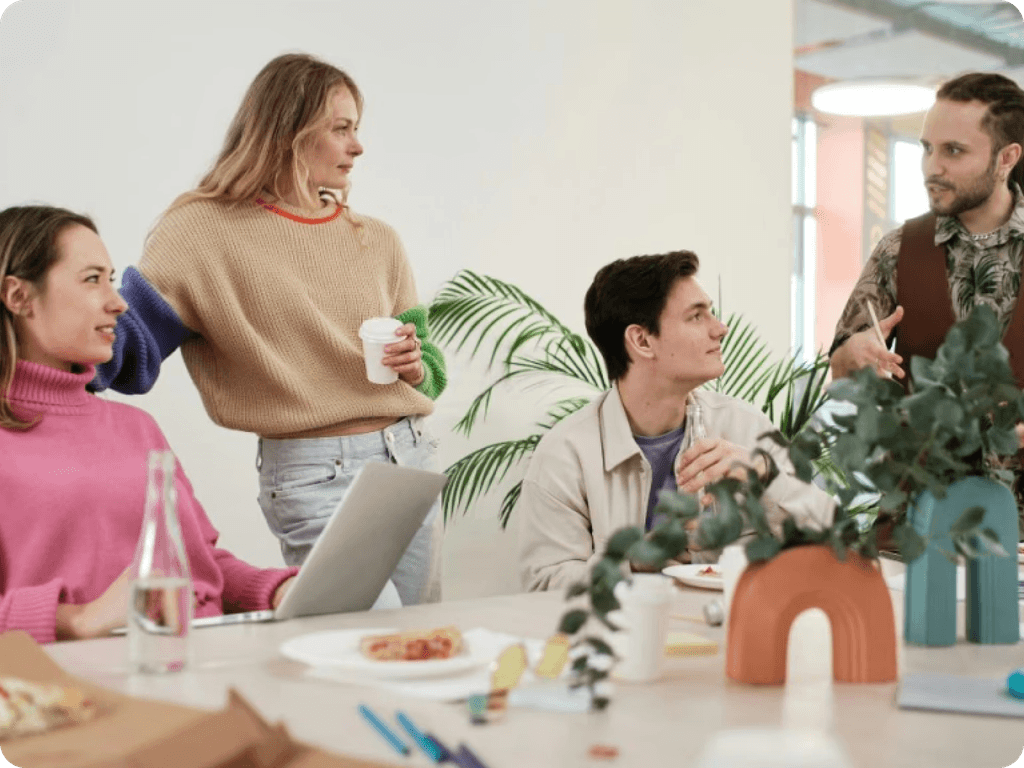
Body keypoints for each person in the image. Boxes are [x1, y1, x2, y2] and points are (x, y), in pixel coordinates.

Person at [91, 53, 447, 604]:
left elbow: (431, 373)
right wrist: (37, 332)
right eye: (342, 129)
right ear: (290, 132)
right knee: (356, 636)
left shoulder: (377, 239)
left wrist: (417, 364)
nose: (358, 146)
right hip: (312, 473)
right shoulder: (201, 231)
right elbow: (128, 351)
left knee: (418, 638)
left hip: (407, 456)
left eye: (357, 129)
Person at [0, 205, 300, 643]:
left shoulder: (137, 427)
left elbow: (196, 563)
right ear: (18, 295)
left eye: (111, 278)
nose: (118, 301)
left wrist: (275, 590)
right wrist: (77, 619)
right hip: (72, 688)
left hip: (197, 659)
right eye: (91, 279)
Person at [516, 251, 835, 592]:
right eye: (697, 317)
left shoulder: (745, 427)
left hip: (727, 633)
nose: (721, 328)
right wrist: (633, 563)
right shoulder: (566, 454)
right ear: (642, 341)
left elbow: (832, 536)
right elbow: (543, 583)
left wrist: (767, 476)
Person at [829, 72, 1024, 539]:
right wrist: (853, 356)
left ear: (1007, 158)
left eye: (953, 151)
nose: (931, 167)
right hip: (915, 531)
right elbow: (842, 367)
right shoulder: (898, 248)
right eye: (926, 148)